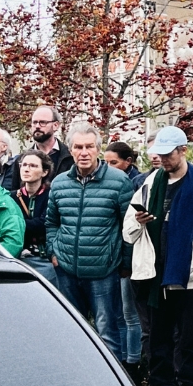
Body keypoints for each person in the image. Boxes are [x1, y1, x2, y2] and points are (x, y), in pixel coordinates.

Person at [124, 126, 193, 386]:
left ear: (183, 151)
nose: (163, 160)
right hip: (154, 272)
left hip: (188, 276)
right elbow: (128, 231)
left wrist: (191, 265)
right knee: (158, 336)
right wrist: (140, 222)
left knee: (189, 337)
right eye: (160, 155)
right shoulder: (152, 182)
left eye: (168, 155)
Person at [45, 122, 134, 361]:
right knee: (73, 330)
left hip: (103, 270)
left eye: (89, 146)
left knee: (107, 332)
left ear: (98, 149)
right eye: (78, 147)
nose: (84, 152)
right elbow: (52, 222)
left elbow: (129, 227)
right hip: (66, 269)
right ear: (70, 150)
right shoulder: (60, 183)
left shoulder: (119, 181)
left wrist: (124, 263)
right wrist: (53, 251)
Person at [104, 141, 146, 383]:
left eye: (115, 163)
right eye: (106, 163)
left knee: (131, 315)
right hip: (114, 259)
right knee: (117, 315)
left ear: (128, 162)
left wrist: (127, 263)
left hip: (128, 260)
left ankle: (133, 363)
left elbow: (129, 229)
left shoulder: (135, 184)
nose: (110, 167)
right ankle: (119, 361)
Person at [13, 149, 55, 284]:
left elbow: (44, 223)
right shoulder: (11, 197)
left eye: (33, 166)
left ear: (45, 172)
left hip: (44, 260)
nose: (26, 169)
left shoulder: (51, 195)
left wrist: (16, 225)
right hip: (17, 258)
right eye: (24, 165)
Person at [8, 106, 74, 188]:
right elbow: (15, 192)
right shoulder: (21, 160)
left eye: (43, 122)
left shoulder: (70, 156)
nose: (37, 126)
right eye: (34, 122)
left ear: (56, 125)